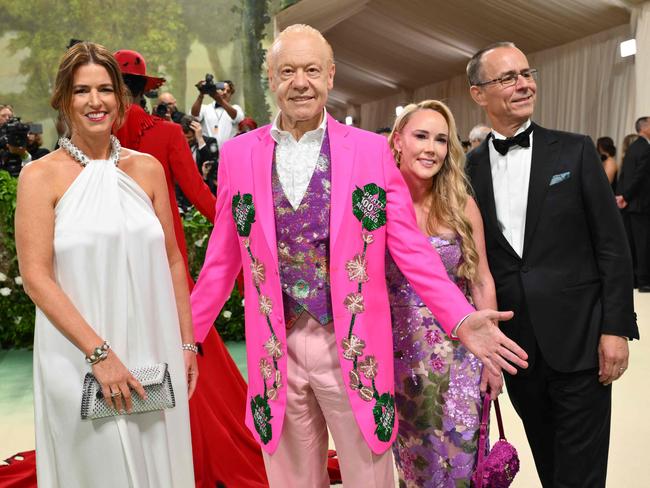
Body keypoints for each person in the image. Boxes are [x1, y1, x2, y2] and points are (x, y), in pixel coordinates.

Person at [190, 24, 527, 488]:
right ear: (271, 79)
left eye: (311, 69)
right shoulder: (237, 154)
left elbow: (411, 249)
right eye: (287, 71)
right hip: (275, 350)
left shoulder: (370, 152)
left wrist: (461, 318)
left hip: (353, 346)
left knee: (369, 479)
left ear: (330, 76)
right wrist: (188, 338)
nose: (300, 82)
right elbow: (221, 261)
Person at [14, 41, 196, 487]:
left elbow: (173, 260)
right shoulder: (39, 177)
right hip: (77, 356)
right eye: (81, 91)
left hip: (153, 350)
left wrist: (187, 344)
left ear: (120, 97)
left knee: (158, 466)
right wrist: (99, 354)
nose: (95, 102)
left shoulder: (148, 169)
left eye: (104, 89)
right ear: (62, 99)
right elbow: (37, 278)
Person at [465, 41, 638, 487]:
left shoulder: (576, 151)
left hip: (581, 341)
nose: (523, 84)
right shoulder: (468, 169)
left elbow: (613, 247)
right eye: (507, 78)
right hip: (519, 348)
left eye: (527, 73)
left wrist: (616, 328)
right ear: (478, 93)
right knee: (549, 462)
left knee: (580, 473)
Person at [112, 49, 268, 488]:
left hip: (115, 267)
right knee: (186, 362)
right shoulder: (165, 133)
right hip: (164, 266)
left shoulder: (94, 133)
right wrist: (245, 236)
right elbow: (200, 196)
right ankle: (181, 455)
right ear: (146, 90)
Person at [387, 100, 498, 486]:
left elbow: (481, 278)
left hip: (460, 357)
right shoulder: (374, 206)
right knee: (416, 466)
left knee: (462, 462)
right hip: (396, 360)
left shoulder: (461, 206)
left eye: (441, 140)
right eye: (421, 136)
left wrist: (492, 357)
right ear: (398, 140)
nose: (431, 149)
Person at [616, 116, 650, 292]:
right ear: (644, 128)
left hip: (631, 205)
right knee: (643, 244)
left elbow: (624, 174)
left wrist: (621, 196)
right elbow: (640, 177)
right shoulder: (645, 148)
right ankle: (644, 281)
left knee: (634, 244)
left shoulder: (633, 147)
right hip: (641, 204)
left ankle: (636, 280)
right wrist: (626, 196)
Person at [191, 78, 244, 149]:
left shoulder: (235, 108)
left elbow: (237, 118)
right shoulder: (205, 108)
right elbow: (194, 115)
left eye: (228, 91)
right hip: (208, 153)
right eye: (222, 89)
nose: (225, 92)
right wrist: (201, 94)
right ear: (216, 90)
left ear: (231, 95)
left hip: (229, 151)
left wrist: (220, 100)